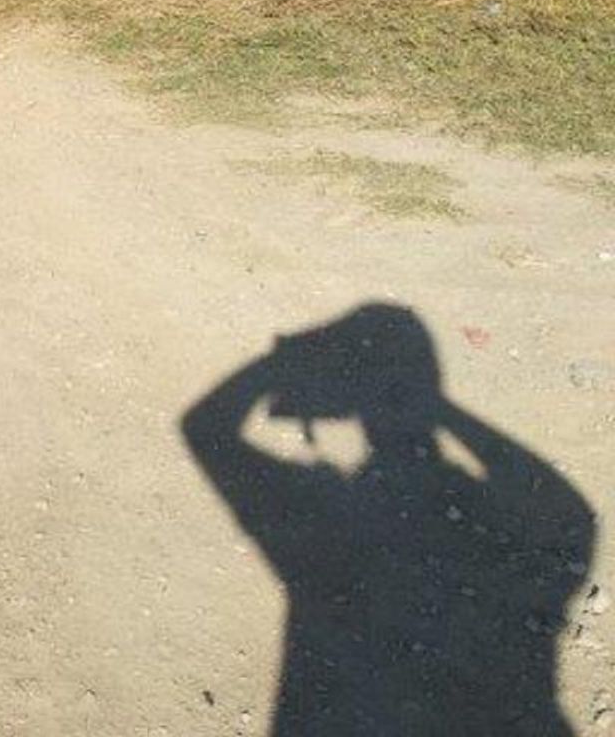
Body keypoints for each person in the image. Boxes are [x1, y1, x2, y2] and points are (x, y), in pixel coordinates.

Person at [182, 303, 595, 735]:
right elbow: (570, 512)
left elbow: (204, 428)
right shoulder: (513, 549)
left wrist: (280, 362)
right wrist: (439, 409)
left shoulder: (324, 526)